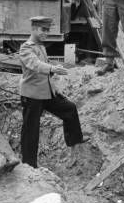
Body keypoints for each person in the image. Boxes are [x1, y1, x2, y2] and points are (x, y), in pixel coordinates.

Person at [18, 16, 89, 168]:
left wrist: (54, 87)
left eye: (47, 30)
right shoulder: (26, 48)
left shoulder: (41, 46)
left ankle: (75, 142)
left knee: (69, 108)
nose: (46, 33)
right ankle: (29, 166)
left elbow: (43, 70)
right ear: (34, 29)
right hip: (31, 96)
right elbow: (35, 65)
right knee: (31, 131)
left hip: (46, 93)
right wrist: (52, 68)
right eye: (43, 30)